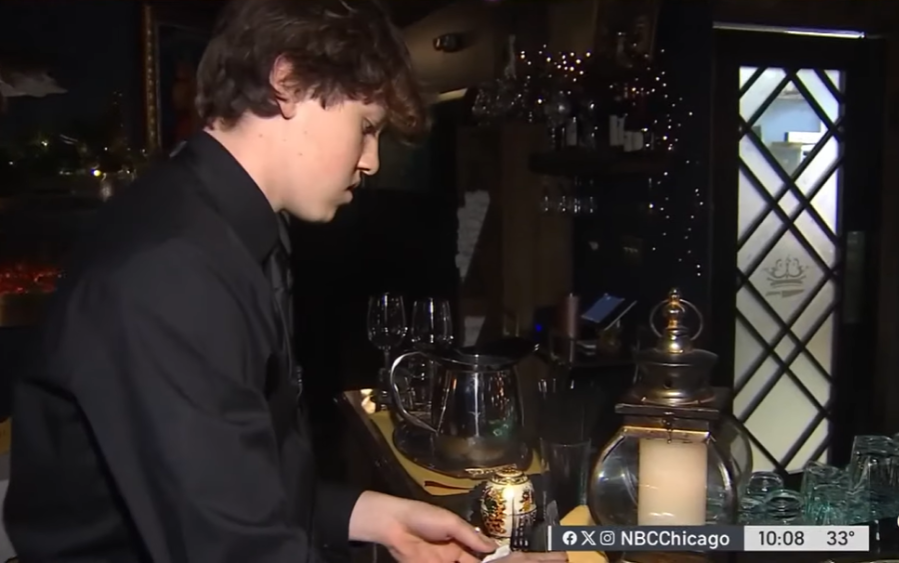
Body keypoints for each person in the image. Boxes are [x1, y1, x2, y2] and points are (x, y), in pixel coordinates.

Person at [1, 1, 567, 562]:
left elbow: (230, 480)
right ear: (288, 81)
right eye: (366, 127)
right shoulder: (172, 270)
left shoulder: (231, 228)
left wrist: (367, 514)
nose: (370, 161)